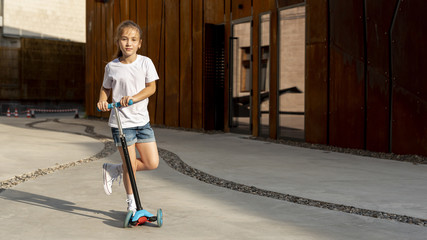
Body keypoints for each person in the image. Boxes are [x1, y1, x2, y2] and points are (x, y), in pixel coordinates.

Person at [97, 20, 159, 215]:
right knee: (130, 166)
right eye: (124, 39)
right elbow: (105, 88)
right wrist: (101, 101)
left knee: (152, 163)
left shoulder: (145, 62)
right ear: (118, 42)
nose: (128, 43)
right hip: (121, 124)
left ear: (139, 43)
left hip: (142, 122)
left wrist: (132, 98)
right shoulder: (112, 67)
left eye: (133, 39)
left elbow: (151, 88)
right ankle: (132, 205)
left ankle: (115, 169)